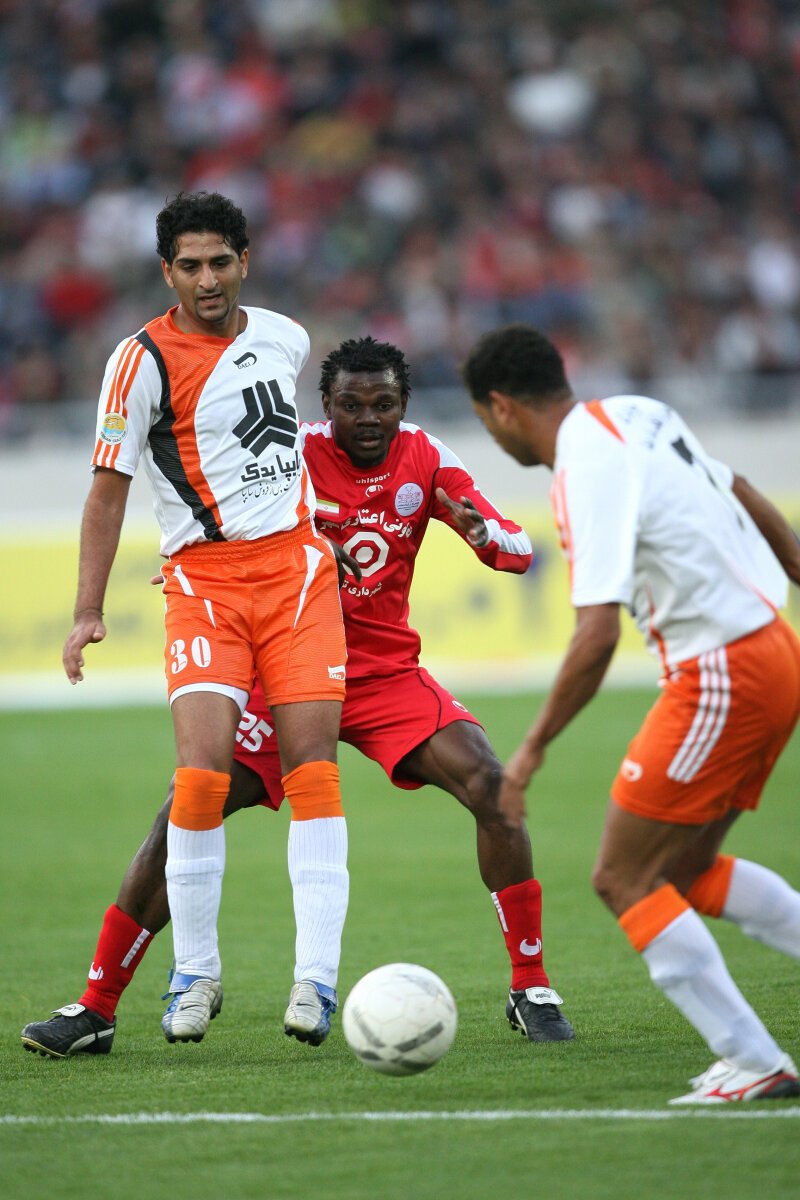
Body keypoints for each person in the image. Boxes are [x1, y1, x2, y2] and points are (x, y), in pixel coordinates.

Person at [21, 335, 574, 1059]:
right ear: (325, 405)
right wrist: (205, 561)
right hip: (281, 668)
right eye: (351, 404)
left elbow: (517, 547)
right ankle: (96, 1006)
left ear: (404, 405)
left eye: (383, 404)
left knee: (493, 787)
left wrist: (486, 534)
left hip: (379, 674)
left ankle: (531, 986)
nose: (367, 418)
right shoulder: (292, 450)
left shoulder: (428, 457)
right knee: (185, 811)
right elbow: (220, 514)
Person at [460, 322, 800, 1105]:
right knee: (684, 870)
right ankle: (753, 1058)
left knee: (622, 876)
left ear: (502, 407)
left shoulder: (581, 469)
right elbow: (740, 485)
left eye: (485, 421)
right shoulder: (636, 412)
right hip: (773, 648)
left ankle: (754, 1059)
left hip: (720, 670)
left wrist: (531, 750)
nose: (494, 435)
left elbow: (596, 634)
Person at [54, 191, 350, 1048]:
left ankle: (315, 980)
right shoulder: (139, 360)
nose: (208, 279)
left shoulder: (286, 337)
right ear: (167, 272)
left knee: (313, 774)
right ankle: (196, 974)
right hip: (205, 587)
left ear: (245, 261)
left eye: (221, 261)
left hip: (297, 576)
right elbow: (107, 491)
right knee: (200, 779)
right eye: (190, 266)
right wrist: (87, 610)